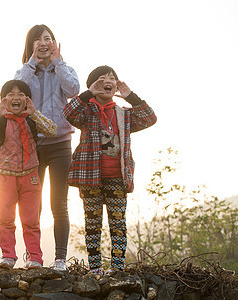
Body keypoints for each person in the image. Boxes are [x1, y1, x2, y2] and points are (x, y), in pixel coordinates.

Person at [63, 65, 157, 274]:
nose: (108, 81)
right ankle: (95, 268)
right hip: (90, 177)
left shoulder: (124, 114)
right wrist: (88, 95)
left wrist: (130, 96)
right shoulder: (87, 112)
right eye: (101, 79)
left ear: (116, 86)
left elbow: (150, 118)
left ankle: (117, 268)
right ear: (93, 86)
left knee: (118, 223)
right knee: (93, 223)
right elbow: (68, 113)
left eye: (112, 78)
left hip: (118, 177)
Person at [15, 24, 79, 271]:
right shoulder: (25, 71)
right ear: (30, 45)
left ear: (54, 43)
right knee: (33, 204)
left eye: (48, 39)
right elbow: (17, 92)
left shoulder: (63, 69)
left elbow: (73, 90)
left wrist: (58, 62)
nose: (44, 43)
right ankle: (34, 257)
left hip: (61, 143)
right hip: (32, 144)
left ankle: (60, 259)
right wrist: (32, 63)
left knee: (58, 203)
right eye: (38, 40)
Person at [0, 80, 57, 269]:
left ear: (27, 99)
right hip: (5, 175)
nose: (16, 97)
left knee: (31, 219)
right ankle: (8, 256)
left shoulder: (32, 119)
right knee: (5, 218)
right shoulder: (1, 120)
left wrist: (35, 113)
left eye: (21, 94)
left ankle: (35, 258)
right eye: (11, 94)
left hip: (30, 174)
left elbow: (52, 131)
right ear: (3, 100)